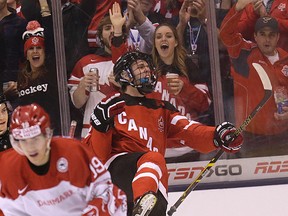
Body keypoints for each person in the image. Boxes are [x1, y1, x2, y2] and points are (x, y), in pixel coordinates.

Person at [84, 51, 243, 216]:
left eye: (148, 66)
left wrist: (217, 136)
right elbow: (95, 156)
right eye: (140, 66)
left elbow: (189, 131)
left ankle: (144, 204)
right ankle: (143, 201)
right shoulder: (111, 104)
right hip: (116, 176)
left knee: (154, 167)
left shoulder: (162, 109)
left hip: (151, 178)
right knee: (153, 158)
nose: (147, 70)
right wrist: (100, 127)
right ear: (124, 74)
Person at [0, 103, 127, 215]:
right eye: (23, 141)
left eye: (35, 139)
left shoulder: (73, 152)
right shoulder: (8, 166)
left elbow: (110, 194)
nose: (30, 147)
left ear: (47, 135)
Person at [220, 0, 288, 157]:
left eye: (271, 35)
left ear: (278, 37)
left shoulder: (286, 59)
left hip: (284, 137)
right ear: (255, 37)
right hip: (252, 138)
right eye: (262, 34)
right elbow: (225, 34)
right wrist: (238, 8)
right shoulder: (244, 54)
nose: (267, 39)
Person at [147, 22, 212, 159]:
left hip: (187, 147)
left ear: (176, 42)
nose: (163, 39)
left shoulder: (189, 67)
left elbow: (205, 103)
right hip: (156, 147)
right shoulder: (146, 70)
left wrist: (185, 89)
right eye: (158, 37)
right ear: (154, 43)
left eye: (168, 36)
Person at [68, 2, 126, 138]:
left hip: (124, 131)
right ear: (99, 35)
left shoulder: (132, 61)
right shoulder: (85, 63)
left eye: (115, 27)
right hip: (91, 132)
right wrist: (82, 86)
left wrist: (124, 87)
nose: (112, 30)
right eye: (107, 27)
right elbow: (77, 103)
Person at [18, 20, 61, 135]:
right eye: (31, 48)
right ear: (26, 55)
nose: (35, 51)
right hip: (30, 134)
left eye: (39, 48)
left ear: (45, 53)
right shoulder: (21, 79)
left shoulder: (54, 72)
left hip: (53, 132)